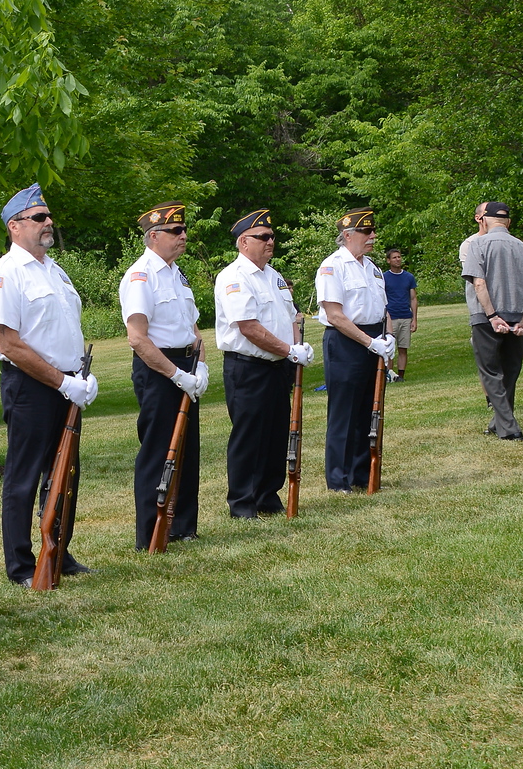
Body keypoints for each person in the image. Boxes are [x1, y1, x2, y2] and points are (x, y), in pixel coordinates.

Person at [0, 184, 99, 585]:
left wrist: (79, 375)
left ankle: (59, 551)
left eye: (48, 216)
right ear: (14, 226)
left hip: (67, 383)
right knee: (25, 476)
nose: (49, 222)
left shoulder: (55, 270)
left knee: (65, 472)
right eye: (39, 218)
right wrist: (62, 381)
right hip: (31, 386)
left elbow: (65, 327)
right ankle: (21, 565)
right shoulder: (4, 274)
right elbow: (10, 342)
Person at [118, 201, 208, 548]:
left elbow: (192, 325)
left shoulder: (176, 273)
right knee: (158, 451)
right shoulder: (141, 276)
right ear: (153, 236)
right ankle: (150, 533)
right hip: (158, 369)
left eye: (183, 230)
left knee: (187, 448)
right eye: (175, 231)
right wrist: (176, 374)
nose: (183, 236)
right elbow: (138, 337)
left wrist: (199, 365)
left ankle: (183, 526)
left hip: (186, 363)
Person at [214, 209, 312, 518]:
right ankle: (242, 503)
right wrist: (288, 349)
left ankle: (268, 496)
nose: (271, 242)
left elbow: (290, 315)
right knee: (249, 436)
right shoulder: (234, 277)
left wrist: (296, 346)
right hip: (248, 366)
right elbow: (248, 327)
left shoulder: (274, 276)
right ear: (244, 242)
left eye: (272, 236)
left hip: (277, 366)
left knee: (275, 434)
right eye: (263, 237)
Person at [315, 208, 394, 493]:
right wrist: (369, 342)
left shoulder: (371, 267)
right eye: (366, 232)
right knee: (344, 413)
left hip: (374, 338)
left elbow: (383, 309)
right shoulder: (332, 266)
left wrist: (388, 338)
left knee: (367, 410)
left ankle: (362, 473)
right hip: (346, 341)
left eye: (372, 231)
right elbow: (335, 315)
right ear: (347, 235)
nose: (372, 236)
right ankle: (339, 478)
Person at [462, 202, 523, 440]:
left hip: (486, 319)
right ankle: (499, 422)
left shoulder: (478, 244)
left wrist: (492, 316)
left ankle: (509, 428)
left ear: (483, 220)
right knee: (510, 372)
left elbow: (479, 283)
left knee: (491, 372)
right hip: (518, 317)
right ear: (508, 222)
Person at [382, 248, 417, 380]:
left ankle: (401, 375)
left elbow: (413, 298)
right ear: (388, 260)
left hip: (405, 316)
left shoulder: (409, 277)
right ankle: (389, 374)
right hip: (391, 317)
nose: (398, 259)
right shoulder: (384, 277)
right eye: (394, 257)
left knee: (403, 348)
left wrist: (414, 319)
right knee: (389, 349)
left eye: (399, 257)